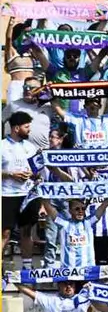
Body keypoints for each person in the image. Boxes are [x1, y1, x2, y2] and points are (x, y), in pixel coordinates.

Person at [2, 111, 40, 259]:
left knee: (26, 232)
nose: (29, 130)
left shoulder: (31, 147)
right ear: (16, 128)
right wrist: (11, 174)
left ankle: (27, 269)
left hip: (27, 195)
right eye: (26, 126)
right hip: (7, 194)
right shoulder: (2, 146)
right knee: (5, 233)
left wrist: (31, 174)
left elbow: (37, 172)